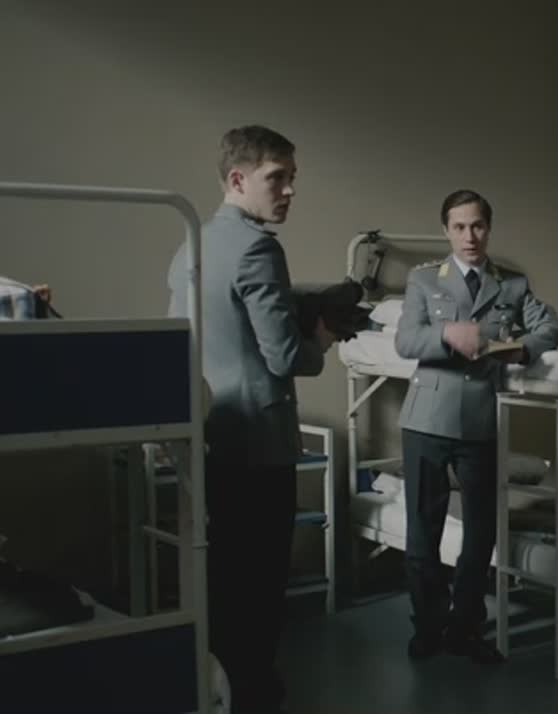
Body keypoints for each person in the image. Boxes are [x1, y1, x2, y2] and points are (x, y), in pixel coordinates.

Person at [167, 125, 335, 713]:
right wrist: (320, 341)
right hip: (260, 441)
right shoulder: (259, 249)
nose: (289, 190)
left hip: (209, 433)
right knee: (261, 583)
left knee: (223, 576)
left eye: (292, 178)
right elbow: (284, 357)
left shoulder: (191, 243)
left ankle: (222, 689)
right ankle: (255, 694)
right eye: (276, 178)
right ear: (238, 179)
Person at [394, 189, 558, 663]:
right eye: (460, 227)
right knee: (423, 531)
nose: (470, 236)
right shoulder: (424, 280)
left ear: (489, 228)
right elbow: (406, 341)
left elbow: (550, 327)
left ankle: (465, 629)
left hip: (480, 420)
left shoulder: (512, 285)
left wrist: (520, 349)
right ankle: (427, 626)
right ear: (446, 231)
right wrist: (448, 333)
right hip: (427, 419)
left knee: (481, 532)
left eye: (478, 226)